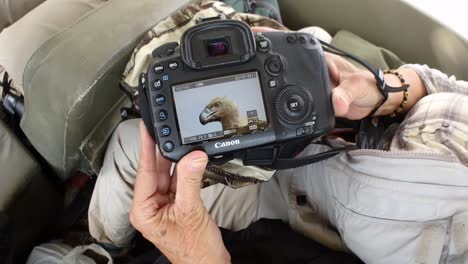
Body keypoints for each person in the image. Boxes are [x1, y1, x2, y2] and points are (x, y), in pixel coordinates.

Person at [88, 27, 468, 263]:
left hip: (288, 206)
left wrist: (199, 258)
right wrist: (387, 89)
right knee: (309, 39)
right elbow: (443, 84)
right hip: (332, 133)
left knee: (131, 145)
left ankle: (102, 248)